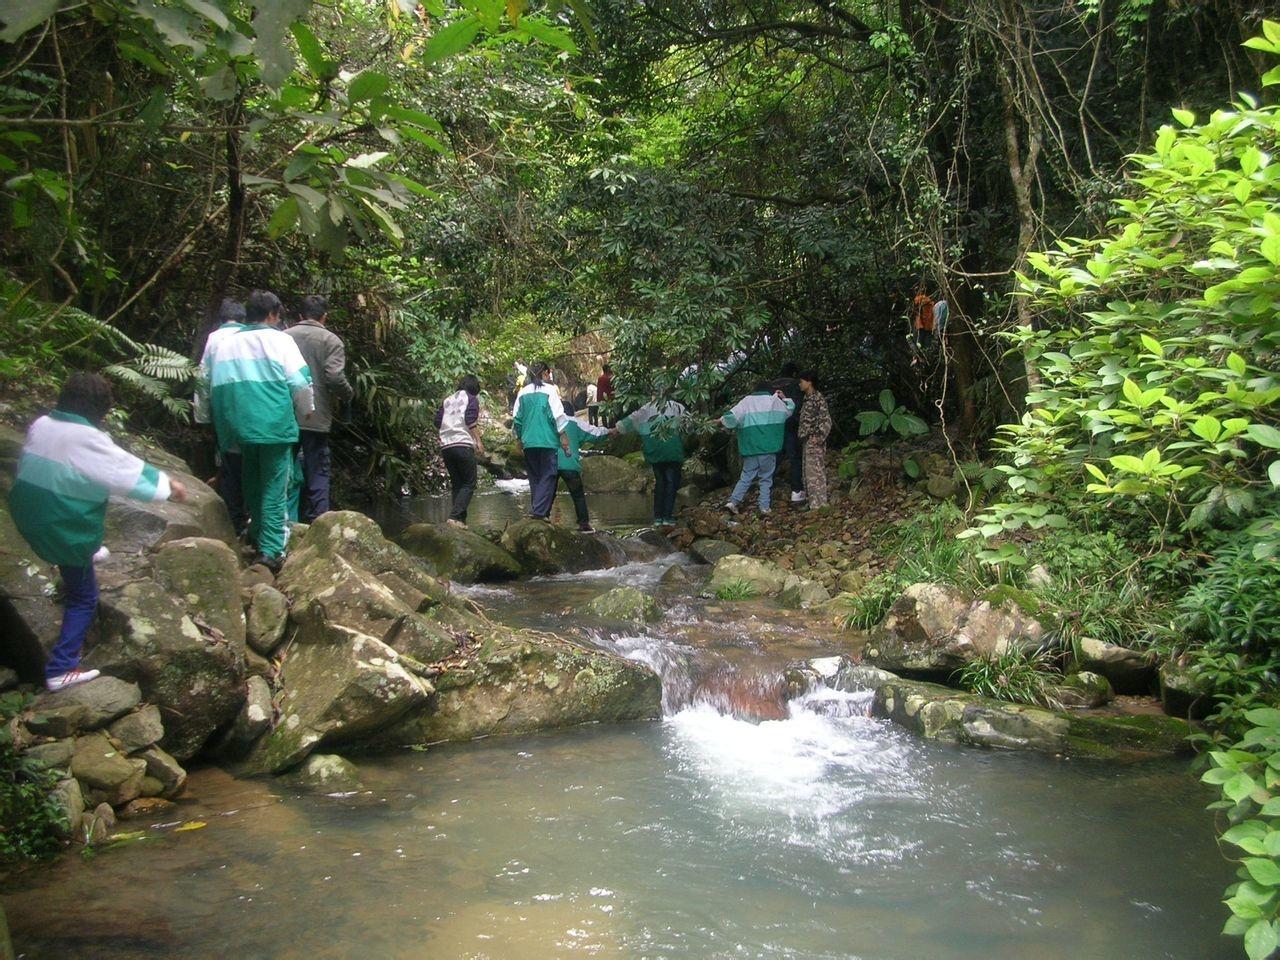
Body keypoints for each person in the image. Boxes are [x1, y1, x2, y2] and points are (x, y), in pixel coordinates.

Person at [9, 373, 188, 691]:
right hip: (58, 526)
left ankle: (85, 551)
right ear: (99, 411)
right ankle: (61, 668)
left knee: (75, 497)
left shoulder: (42, 424)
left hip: (27, 514)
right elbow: (124, 470)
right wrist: (167, 487)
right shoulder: (86, 439)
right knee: (84, 596)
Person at [201, 289, 313, 570]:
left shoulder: (226, 344)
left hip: (237, 425)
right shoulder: (280, 340)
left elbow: (206, 382)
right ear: (273, 314)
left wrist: (207, 419)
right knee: (276, 485)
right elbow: (300, 381)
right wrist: (306, 411)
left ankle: (256, 535)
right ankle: (273, 550)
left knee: (251, 481)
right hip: (273, 423)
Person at [285, 295, 353, 523]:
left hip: (284, 413)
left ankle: (282, 522)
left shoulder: (283, 337)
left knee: (283, 467)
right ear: (325, 316)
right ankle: (319, 524)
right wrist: (347, 394)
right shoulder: (330, 340)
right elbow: (334, 377)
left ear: (300, 315)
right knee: (318, 469)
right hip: (317, 415)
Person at [193, 298, 248, 535]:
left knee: (228, 463)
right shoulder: (251, 336)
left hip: (223, 408)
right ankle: (249, 519)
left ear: (222, 318)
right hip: (251, 409)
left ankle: (233, 521)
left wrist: (203, 417)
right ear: (244, 318)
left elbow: (203, 378)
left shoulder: (215, 338)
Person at [719, 381, 794, 516]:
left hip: (751, 448)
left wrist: (721, 420)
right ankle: (764, 507)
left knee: (746, 476)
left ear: (754, 390)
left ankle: (733, 502)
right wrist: (784, 397)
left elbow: (732, 418)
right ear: (769, 390)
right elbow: (790, 409)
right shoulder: (774, 401)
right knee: (766, 478)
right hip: (769, 449)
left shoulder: (746, 401)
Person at [512, 361, 570, 520]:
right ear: (545, 373)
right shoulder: (550, 390)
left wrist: (519, 439)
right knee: (549, 475)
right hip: (547, 440)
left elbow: (517, 419)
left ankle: (540, 512)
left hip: (529, 442)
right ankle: (538, 512)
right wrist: (563, 438)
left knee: (535, 476)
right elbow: (557, 415)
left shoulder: (522, 393)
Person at [617, 397, 687, 527]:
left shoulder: (646, 408)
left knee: (660, 483)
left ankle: (658, 517)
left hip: (654, 452)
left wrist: (614, 430)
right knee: (671, 483)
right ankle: (667, 517)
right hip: (673, 451)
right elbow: (690, 424)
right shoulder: (676, 407)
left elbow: (627, 422)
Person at [435, 375, 485, 526]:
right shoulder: (471, 399)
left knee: (457, 483)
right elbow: (470, 421)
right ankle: (455, 517)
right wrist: (478, 442)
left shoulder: (447, 400)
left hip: (446, 446)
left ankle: (460, 520)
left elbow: (437, 422)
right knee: (469, 483)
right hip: (462, 443)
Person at [556, 399, 611, 532]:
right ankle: (584, 523)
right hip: (570, 465)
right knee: (578, 495)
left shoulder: (551, 422)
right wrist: (610, 431)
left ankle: (542, 517)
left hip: (551, 464)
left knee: (548, 493)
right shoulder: (575, 423)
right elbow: (595, 433)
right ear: (572, 412)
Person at [797, 371, 832, 509]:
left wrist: (818, 438)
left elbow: (826, 420)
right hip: (807, 440)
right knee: (808, 473)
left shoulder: (818, 398)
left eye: (801, 381)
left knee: (816, 472)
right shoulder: (807, 399)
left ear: (809, 382)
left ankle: (820, 504)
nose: (800, 384)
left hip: (814, 440)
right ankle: (812, 502)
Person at [774, 362, 806, 504]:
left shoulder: (773, 385)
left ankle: (766, 487)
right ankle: (796, 490)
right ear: (794, 373)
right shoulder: (795, 385)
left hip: (775, 425)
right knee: (794, 457)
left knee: (776, 457)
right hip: (791, 425)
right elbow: (798, 406)